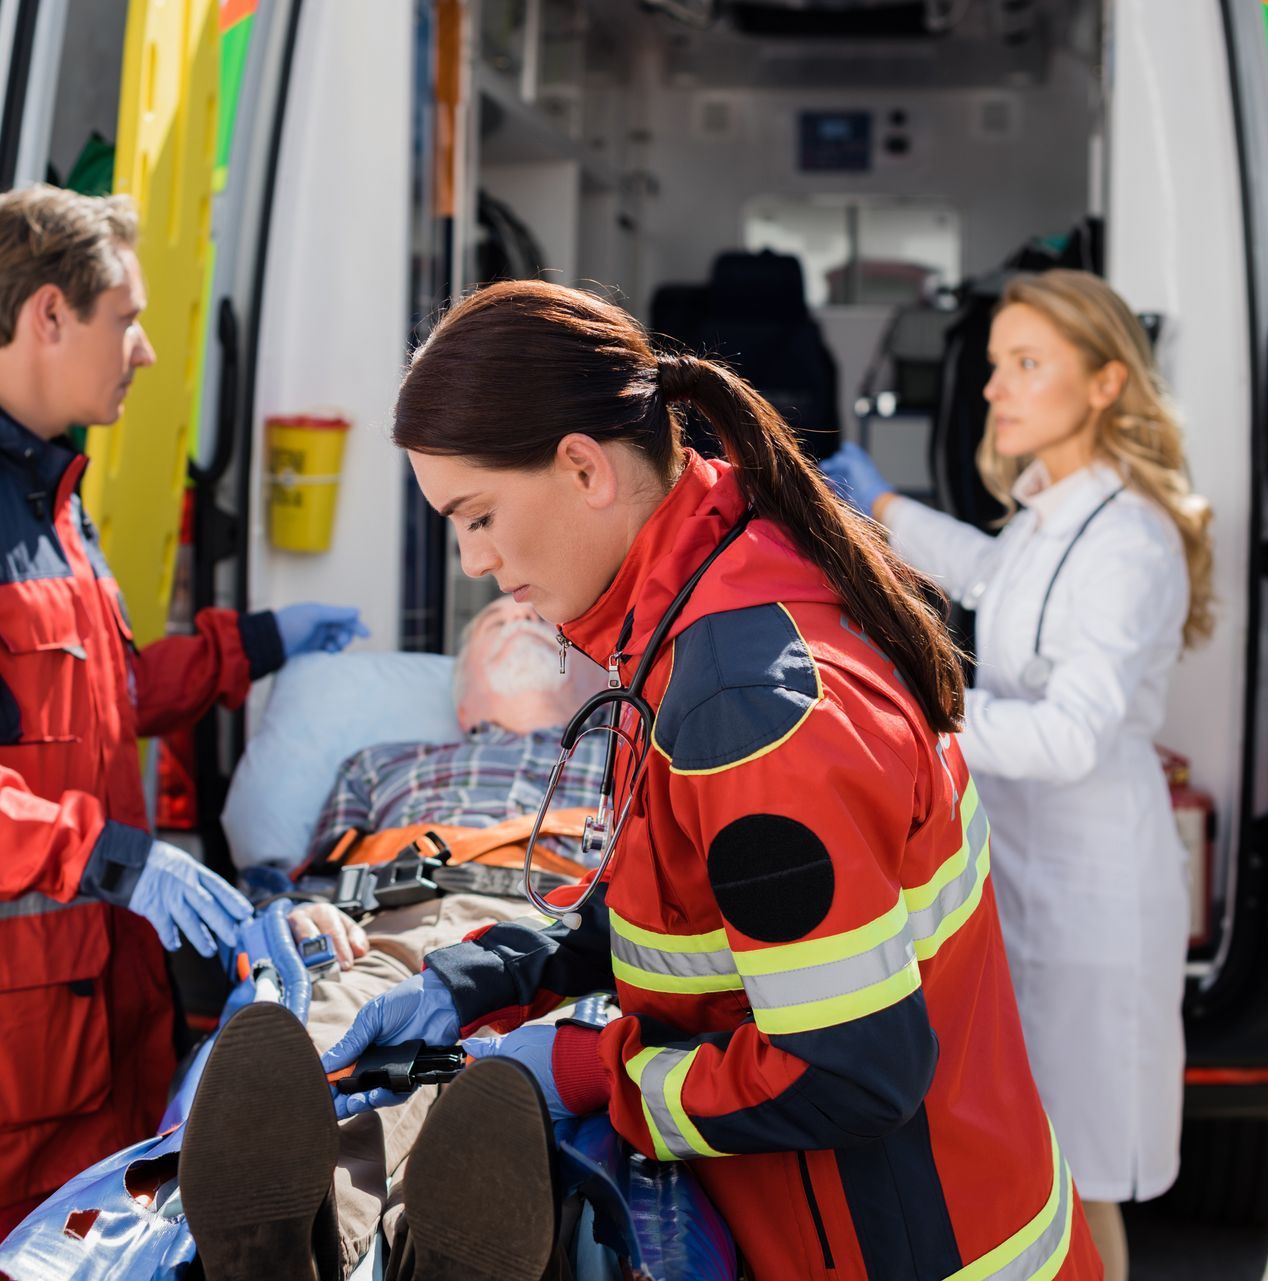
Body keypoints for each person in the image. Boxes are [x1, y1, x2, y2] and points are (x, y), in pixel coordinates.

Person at [294, 279, 1103, 1281]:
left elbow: (848, 1073)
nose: (472, 560)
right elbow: (689, 915)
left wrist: (590, 1071)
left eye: (480, 515)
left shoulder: (740, 707)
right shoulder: (725, 582)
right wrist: (473, 982)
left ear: (584, 467)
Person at [0, 184, 363, 1281]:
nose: (144, 351)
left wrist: (254, 645)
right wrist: (108, 857)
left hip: (58, 1055)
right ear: (49, 316)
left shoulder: (38, 493)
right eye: (127, 318)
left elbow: (99, 690)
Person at [820, 269, 1212, 1280]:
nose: (995, 389)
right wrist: (885, 508)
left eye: (1027, 366)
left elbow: (1072, 735)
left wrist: (915, 712)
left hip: (1095, 898)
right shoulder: (1052, 510)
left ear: (1105, 384)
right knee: (1035, 1163)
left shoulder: (1126, 538)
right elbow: (998, 580)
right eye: (996, 365)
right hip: (1024, 874)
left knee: (1080, 1178)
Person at [179, 596, 610, 1277]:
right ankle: (299, 1244)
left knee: (501, 1104)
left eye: (538, 619)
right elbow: (314, 877)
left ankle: (444, 1255)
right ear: (462, 689)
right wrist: (296, 907)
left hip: (562, 942)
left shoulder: (628, 759)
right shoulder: (379, 764)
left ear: (593, 680)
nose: (519, 614)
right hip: (395, 933)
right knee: (333, 1051)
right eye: (496, 622)